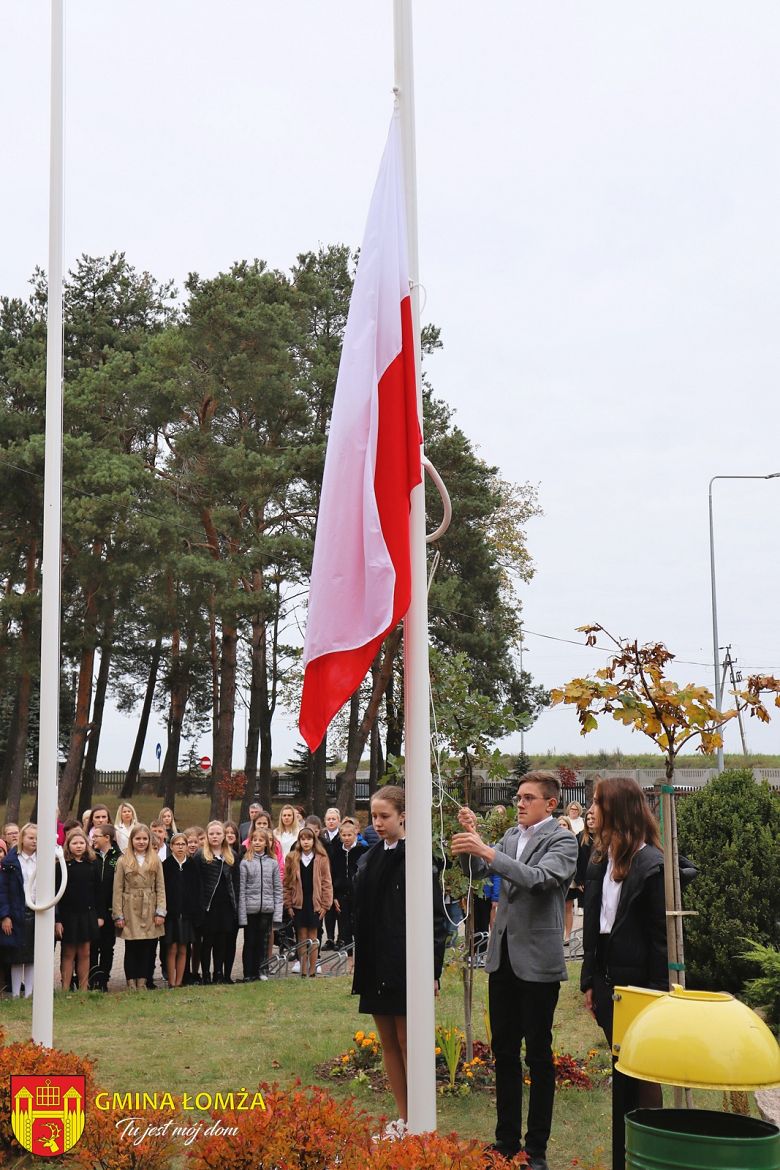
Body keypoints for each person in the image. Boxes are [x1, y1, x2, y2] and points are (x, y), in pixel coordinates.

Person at [452, 771, 578, 1169]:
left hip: (538, 963)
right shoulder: (509, 837)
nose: (519, 803)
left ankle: (535, 1150)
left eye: (528, 798)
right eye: (518, 797)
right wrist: (474, 846)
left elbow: (539, 880)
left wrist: (488, 852)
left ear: (550, 804)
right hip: (502, 960)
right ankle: (505, 1143)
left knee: (538, 1057)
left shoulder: (562, 840)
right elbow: (480, 877)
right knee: (504, 1053)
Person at [580, 777, 691, 1170]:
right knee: (621, 1070)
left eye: (597, 803)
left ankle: (651, 1154)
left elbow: (661, 939)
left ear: (619, 810)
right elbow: (594, 926)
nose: (591, 810)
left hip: (641, 985)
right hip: (608, 981)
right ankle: (623, 1157)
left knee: (643, 1071)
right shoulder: (600, 860)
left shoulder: (651, 864)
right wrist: (589, 981)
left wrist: (659, 993)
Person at [352, 786, 448, 1138]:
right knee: (388, 1042)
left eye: (385, 816)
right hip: (376, 961)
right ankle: (405, 1117)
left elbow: (437, 919)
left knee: (410, 1041)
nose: (377, 823)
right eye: (373, 816)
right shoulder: (369, 857)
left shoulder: (419, 856)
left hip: (407, 962)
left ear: (403, 815)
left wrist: (432, 970)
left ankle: (421, 1120)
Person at [112, 823, 166, 990]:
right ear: (132, 840)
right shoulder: (123, 860)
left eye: (144, 838)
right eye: (138, 838)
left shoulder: (155, 859)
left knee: (146, 946)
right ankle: (131, 981)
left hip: (149, 906)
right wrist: (118, 914)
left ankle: (142, 980)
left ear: (149, 840)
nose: (141, 842)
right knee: (132, 945)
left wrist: (160, 911)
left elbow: (160, 887)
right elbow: (117, 889)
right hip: (130, 907)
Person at [57, 828, 103, 991]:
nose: (78, 846)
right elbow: (56, 893)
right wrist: (58, 920)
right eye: (74, 843)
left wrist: (100, 915)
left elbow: (99, 891)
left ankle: (84, 988)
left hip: (88, 914)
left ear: (87, 844)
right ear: (68, 845)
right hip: (68, 915)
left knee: (85, 952)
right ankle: (65, 987)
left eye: (81, 843)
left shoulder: (93, 863)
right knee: (69, 953)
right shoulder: (61, 865)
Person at [284, 826, 332, 978]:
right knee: (301, 935)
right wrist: (288, 904)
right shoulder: (292, 858)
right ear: (299, 841)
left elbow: (326, 882)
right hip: (299, 902)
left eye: (309, 839)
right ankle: (303, 969)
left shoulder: (322, 858)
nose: (306, 842)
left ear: (314, 841)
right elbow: (286, 883)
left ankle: (313, 969)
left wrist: (325, 905)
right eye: (302, 839)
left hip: (315, 902)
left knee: (314, 935)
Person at [194, 821, 237, 984]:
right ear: (206, 835)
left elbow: (235, 882)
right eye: (211, 833)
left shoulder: (231, 855)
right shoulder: (200, 855)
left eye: (218, 833)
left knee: (222, 941)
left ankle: (218, 973)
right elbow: (197, 883)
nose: (215, 836)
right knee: (207, 942)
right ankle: (206, 974)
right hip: (208, 905)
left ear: (224, 836)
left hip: (225, 905)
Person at [0, 822, 39, 997]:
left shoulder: (43, 860)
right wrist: (5, 915)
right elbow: (3, 890)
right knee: (16, 955)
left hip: (37, 911)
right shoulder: (11, 860)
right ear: (22, 838)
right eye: (31, 837)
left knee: (32, 955)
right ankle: (15, 993)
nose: (34, 841)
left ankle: (29, 993)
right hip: (16, 912)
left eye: (37, 838)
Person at [239, 827, 283, 981]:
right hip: (251, 910)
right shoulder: (245, 862)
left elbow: (278, 889)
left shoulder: (272, 862)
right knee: (249, 942)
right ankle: (248, 973)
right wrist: (242, 916)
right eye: (254, 840)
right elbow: (242, 890)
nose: (257, 842)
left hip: (267, 909)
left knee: (262, 942)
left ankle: (261, 970)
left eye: (261, 840)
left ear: (266, 843)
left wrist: (277, 913)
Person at [162, 833, 202, 988]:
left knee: (184, 947)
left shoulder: (192, 866)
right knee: (171, 948)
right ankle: (171, 981)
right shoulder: (166, 865)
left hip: (187, 915)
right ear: (171, 846)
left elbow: (197, 890)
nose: (180, 847)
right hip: (171, 915)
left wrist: (196, 913)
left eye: (182, 844)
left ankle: (179, 981)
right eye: (176, 844)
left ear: (187, 847)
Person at [330, 817, 367, 966]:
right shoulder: (336, 852)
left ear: (355, 834)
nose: (346, 838)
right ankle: (349, 959)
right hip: (341, 895)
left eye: (349, 835)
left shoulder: (363, 851)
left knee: (358, 926)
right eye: (344, 835)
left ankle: (360, 959)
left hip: (358, 895)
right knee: (345, 927)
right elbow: (332, 874)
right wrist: (334, 896)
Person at [90, 824, 121, 990]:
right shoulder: (91, 855)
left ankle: (103, 980)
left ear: (107, 838)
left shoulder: (119, 857)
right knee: (93, 946)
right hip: (93, 910)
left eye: (96, 836)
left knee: (107, 946)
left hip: (110, 910)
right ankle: (92, 978)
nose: (93, 839)